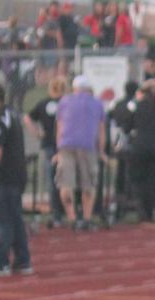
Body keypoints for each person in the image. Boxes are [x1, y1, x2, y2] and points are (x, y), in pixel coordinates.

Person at [0, 83, 32, 277]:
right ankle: (23, 259)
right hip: (18, 174)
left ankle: (1, 261)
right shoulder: (12, 114)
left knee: (5, 220)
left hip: (7, 176)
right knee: (16, 219)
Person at [57, 73, 107, 229]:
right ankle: (86, 218)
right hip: (88, 146)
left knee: (66, 184)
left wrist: (58, 149)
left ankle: (72, 217)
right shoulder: (97, 104)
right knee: (88, 185)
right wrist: (102, 151)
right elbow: (101, 131)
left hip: (66, 145)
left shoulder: (64, 102)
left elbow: (59, 128)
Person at [126, 80, 155, 221]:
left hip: (140, 145)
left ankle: (142, 209)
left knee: (139, 178)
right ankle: (151, 209)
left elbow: (127, 125)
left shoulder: (137, 106)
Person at [28, 76, 68, 226]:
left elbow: (27, 117)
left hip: (49, 145)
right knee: (66, 180)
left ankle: (56, 214)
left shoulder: (43, 103)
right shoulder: (66, 103)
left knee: (52, 180)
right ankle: (69, 212)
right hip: (66, 145)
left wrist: (37, 132)